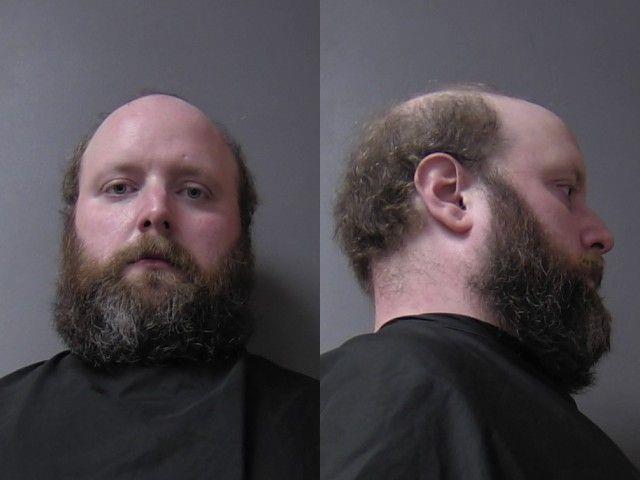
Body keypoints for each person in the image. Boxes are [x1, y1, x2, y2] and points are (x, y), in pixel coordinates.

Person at [321, 86, 640, 479]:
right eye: (566, 190)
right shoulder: (396, 391)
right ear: (451, 195)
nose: (602, 235)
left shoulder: (465, 401)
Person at [0, 93, 317, 479]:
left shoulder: (325, 428)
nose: (155, 211)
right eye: (119, 188)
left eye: (194, 191)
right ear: (73, 225)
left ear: (242, 231)